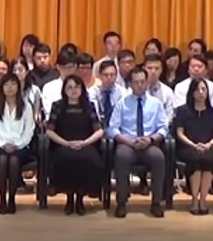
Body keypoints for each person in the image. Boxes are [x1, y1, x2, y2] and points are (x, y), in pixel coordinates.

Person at [106, 66, 168, 218]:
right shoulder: (122, 103)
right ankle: (121, 202)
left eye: (142, 82)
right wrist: (128, 141)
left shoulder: (156, 103)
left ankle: (156, 202)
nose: (139, 85)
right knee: (121, 156)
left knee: (158, 157)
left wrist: (151, 139)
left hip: (149, 144)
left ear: (147, 83)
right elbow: (112, 129)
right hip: (128, 144)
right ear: (130, 84)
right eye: (136, 82)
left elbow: (163, 128)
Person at [46, 74, 105, 216]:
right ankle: (69, 198)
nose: (73, 90)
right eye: (70, 87)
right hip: (63, 144)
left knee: (88, 159)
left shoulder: (88, 106)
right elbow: (49, 131)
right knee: (64, 159)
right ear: (64, 90)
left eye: (77, 87)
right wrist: (66, 143)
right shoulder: (58, 106)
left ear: (82, 89)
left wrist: (85, 142)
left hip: (85, 144)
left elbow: (99, 131)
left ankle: (80, 198)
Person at [0, 72, 35, 215]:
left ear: (19, 87)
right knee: (1, 159)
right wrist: (2, 144)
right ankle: (2, 198)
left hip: (20, 146)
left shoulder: (26, 107)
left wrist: (17, 144)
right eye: (6, 84)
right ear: (1, 87)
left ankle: (12, 198)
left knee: (14, 160)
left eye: (13, 84)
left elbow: (29, 131)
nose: (10, 88)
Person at [175, 78, 213, 215]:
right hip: (188, 146)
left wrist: (208, 145)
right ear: (191, 92)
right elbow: (180, 133)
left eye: (204, 89)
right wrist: (193, 144)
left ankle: (203, 199)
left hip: (209, 146)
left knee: (209, 160)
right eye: (197, 90)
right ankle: (195, 199)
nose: (201, 93)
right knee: (196, 160)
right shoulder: (182, 111)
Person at [87, 59, 126, 127]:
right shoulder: (92, 92)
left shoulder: (123, 92)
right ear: (99, 76)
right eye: (106, 75)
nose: (109, 78)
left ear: (116, 75)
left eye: (112, 74)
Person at [40, 50, 78, 115]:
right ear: (58, 67)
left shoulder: (80, 86)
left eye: (70, 67)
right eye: (64, 68)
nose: (67, 71)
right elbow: (49, 111)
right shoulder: (49, 87)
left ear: (75, 66)